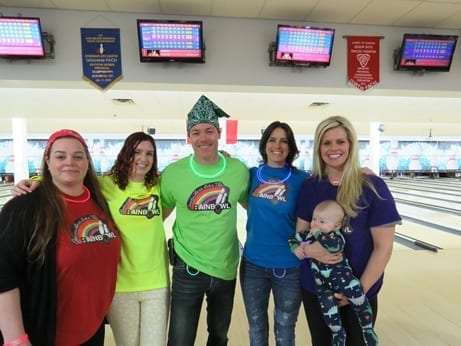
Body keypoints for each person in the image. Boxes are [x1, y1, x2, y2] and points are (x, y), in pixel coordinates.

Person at [11, 132, 170, 345]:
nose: (143, 158)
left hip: (157, 283)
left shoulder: (159, 185)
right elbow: (69, 177)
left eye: (149, 153)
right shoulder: (106, 184)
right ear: (125, 154)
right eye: (137, 152)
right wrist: (36, 182)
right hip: (120, 284)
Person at [0, 129, 121, 346]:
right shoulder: (24, 207)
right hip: (46, 334)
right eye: (60, 156)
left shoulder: (99, 201)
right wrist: (16, 340)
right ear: (47, 161)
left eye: (78, 156)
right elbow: (4, 274)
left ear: (87, 162)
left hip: (92, 329)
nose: (70, 162)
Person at [295, 116, 401, 346]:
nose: (334, 148)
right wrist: (312, 251)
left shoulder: (372, 186)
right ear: (318, 148)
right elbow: (300, 234)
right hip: (317, 289)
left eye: (340, 142)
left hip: (360, 288)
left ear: (351, 145)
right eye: (326, 143)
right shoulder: (310, 186)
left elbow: (384, 248)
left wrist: (357, 292)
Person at [161, 95, 249, 346]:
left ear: (219, 133)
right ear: (188, 137)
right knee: (179, 340)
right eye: (196, 132)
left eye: (209, 131)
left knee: (219, 337)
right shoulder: (173, 174)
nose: (203, 138)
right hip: (187, 268)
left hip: (225, 268)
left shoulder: (238, 170)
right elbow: (158, 215)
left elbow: (257, 207)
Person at [239, 121, 308, 345]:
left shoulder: (302, 180)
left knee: (285, 328)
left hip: (290, 267)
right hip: (253, 265)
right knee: (257, 327)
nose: (277, 145)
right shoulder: (250, 175)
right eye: (272, 140)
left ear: (291, 147)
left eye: (284, 141)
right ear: (264, 144)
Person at [289, 200, 378, 346]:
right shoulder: (310, 235)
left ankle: (367, 328)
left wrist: (315, 235)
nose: (315, 224)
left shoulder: (336, 237)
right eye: (314, 219)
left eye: (322, 221)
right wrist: (295, 248)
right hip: (322, 285)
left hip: (346, 280)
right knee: (328, 311)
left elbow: (332, 247)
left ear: (336, 226)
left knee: (360, 299)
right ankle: (338, 332)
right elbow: (293, 238)